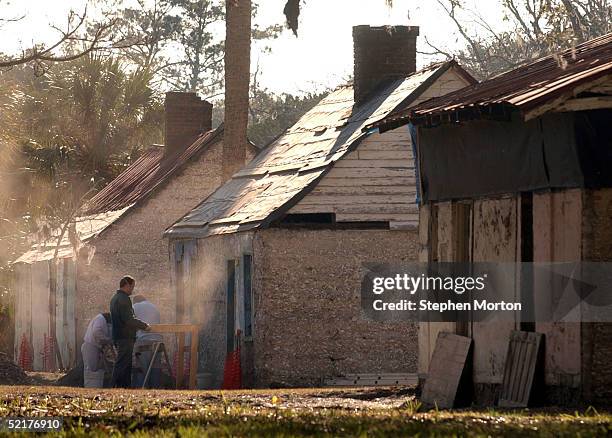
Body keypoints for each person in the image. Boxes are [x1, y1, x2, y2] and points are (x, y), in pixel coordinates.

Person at [110, 276, 150, 388]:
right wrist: (144, 326)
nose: (132, 289)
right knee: (122, 364)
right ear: (127, 284)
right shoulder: (123, 299)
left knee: (126, 364)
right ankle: (113, 387)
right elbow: (128, 319)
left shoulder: (115, 298)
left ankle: (124, 388)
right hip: (125, 336)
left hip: (118, 336)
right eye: (132, 286)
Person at [132, 295, 162, 388]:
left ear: (135, 302)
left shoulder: (135, 306)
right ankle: (155, 390)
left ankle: (141, 390)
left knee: (141, 368)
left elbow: (130, 321)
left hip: (144, 340)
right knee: (155, 368)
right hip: (158, 341)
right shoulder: (154, 307)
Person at [81, 312, 112, 387]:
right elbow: (96, 332)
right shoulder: (100, 319)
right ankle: (91, 387)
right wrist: (107, 339)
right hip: (90, 347)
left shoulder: (101, 319)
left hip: (95, 347)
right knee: (91, 370)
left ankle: (94, 386)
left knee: (95, 369)